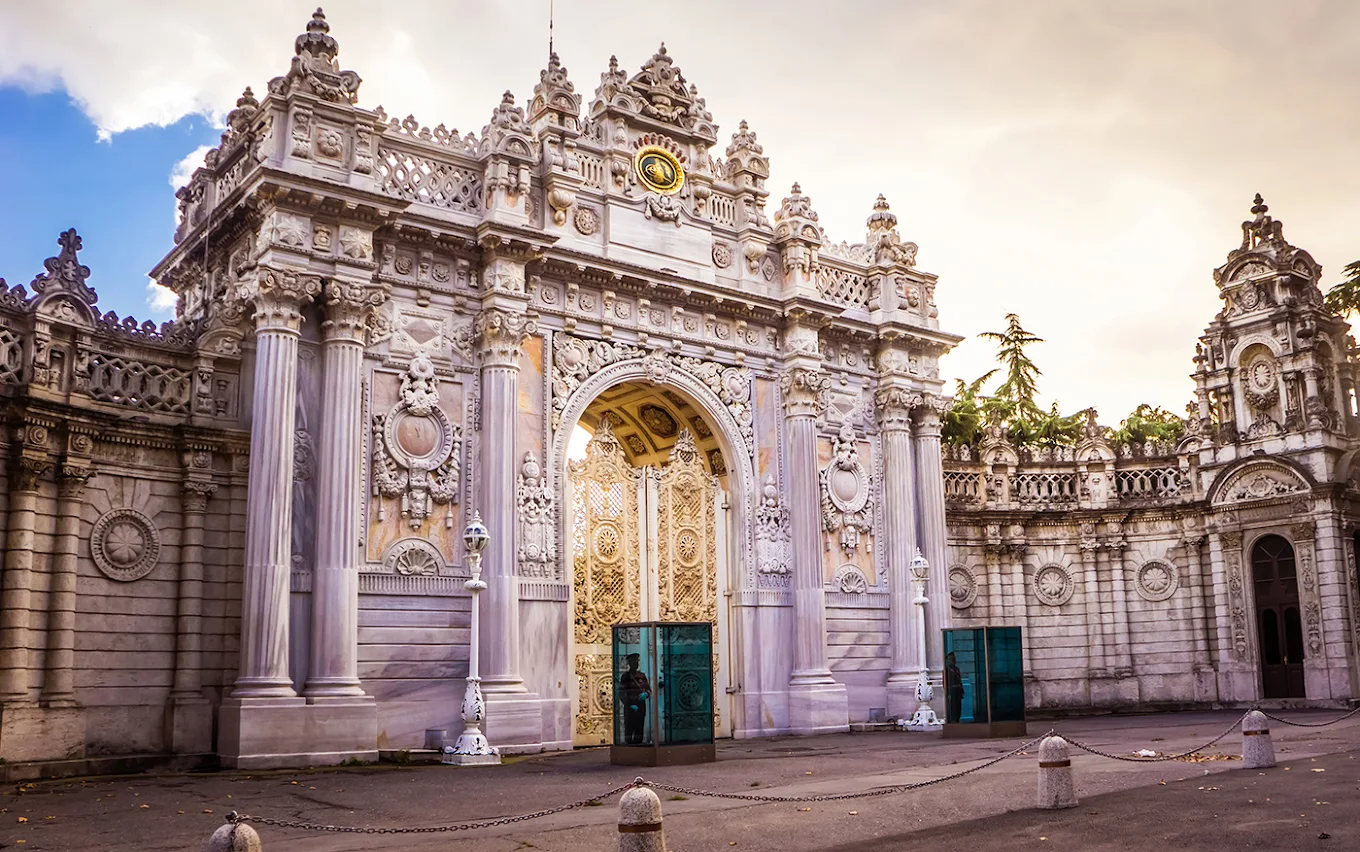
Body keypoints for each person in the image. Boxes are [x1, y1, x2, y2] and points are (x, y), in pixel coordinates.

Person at [619, 653, 651, 744]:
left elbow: (649, 690)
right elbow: (622, 693)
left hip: (641, 708)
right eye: (634, 663)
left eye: (637, 662)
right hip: (630, 708)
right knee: (629, 731)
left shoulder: (642, 676)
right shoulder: (625, 677)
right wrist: (629, 704)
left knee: (639, 731)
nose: (636, 665)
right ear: (630, 664)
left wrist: (646, 694)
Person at [945, 652, 965, 724]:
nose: (953, 661)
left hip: (957, 690)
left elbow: (959, 680)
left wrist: (961, 691)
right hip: (952, 690)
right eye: (951, 659)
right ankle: (952, 719)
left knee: (958, 706)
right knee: (952, 706)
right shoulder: (947, 670)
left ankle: (957, 718)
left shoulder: (956, 669)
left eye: (953, 659)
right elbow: (946, 682)